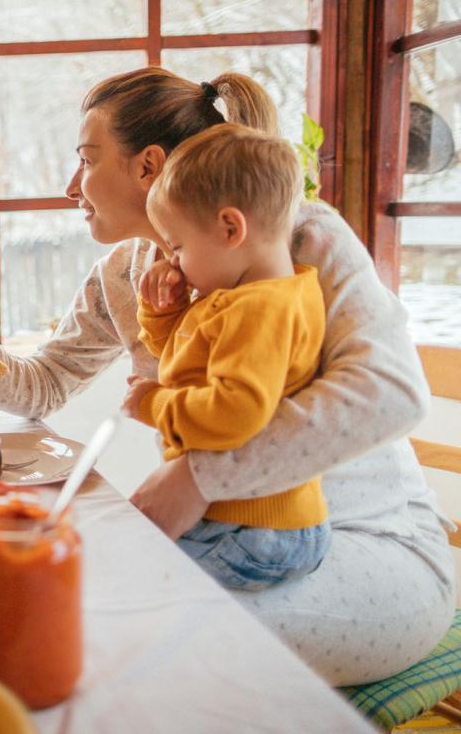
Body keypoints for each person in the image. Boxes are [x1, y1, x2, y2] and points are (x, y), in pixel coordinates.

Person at [0, 67, 454, 686]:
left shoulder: (300, 238)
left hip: (369, 552)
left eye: (86, 158)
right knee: (71, 597)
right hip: (234, 539)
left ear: (147, 166)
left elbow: (393, 394)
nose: (69, 185)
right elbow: (49, 381)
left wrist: (199, 476)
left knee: (124, 633)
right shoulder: (126, 271)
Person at [121, 123, 330, 591]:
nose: (174, 261)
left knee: (125, 578)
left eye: (178, 246)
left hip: (256, 527)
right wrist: (164, 310)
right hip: (243, 517)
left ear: (231, 228)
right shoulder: (242, 296)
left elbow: (235, 413)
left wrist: (152, 405)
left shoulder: (259, 308)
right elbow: (186, 358)